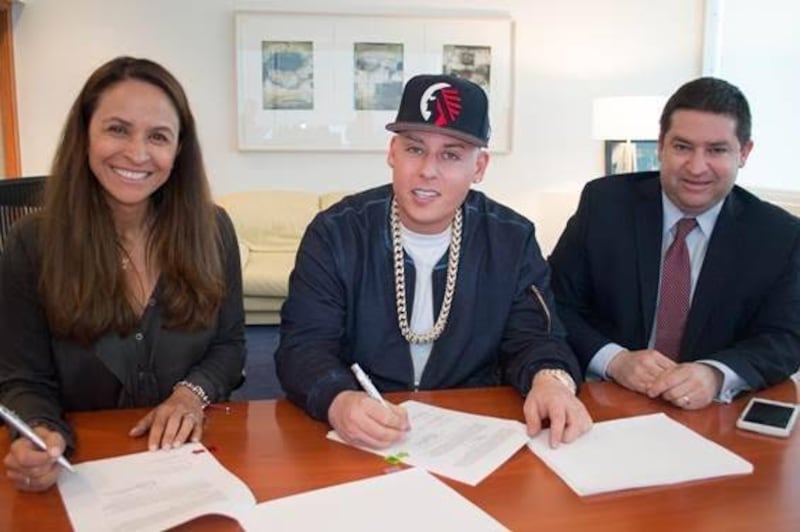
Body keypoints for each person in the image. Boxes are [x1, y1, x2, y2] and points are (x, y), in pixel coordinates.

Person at [276, 74, 592, 450]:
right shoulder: (336, 232)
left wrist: (550, 381)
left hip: (472, 432)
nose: (428, 170)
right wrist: (338, 400)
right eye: (415, 149)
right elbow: (303, 345)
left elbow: (537, 338)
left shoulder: (511, 239)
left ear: (479, 167)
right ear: (392, 153)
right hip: (361, 430)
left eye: (451, 155)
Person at [0, 56, 246, 491]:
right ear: (84, 134)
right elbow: (24, 378)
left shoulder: (213, 229)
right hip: (83, 471)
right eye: (117, 129)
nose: (137, 153)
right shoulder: (31, 243)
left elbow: (229, 346)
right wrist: (39, 434)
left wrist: (191, 394)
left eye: (158, 136)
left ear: (178, 150)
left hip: (191, 463)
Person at [549, 77, 800, 410]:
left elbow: (785, 338)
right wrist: (615, 360)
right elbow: (553, 302)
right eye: (682, 147)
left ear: (744, 152)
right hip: (608, 402)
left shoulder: (778, 234)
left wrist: (716, 374)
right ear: (660, 146)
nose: (696, 167)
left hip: (712, 414)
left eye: (717, 150)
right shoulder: (605, 204)